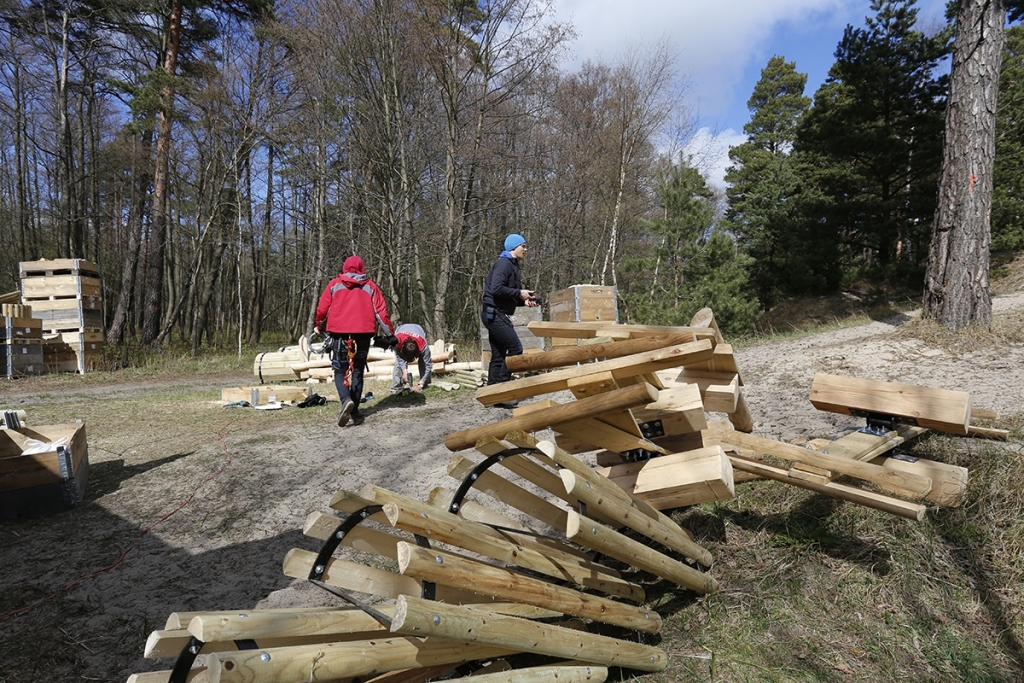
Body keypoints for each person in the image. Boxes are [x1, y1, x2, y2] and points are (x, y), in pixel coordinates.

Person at [314, 255, 395, 427]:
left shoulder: (334, 284)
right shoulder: (370, 286)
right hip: (363, 335)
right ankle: (355, 409)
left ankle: (345, 400)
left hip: (339, 334)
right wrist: (390, 335)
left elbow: (322, 310)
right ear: (362, 268)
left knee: (339, 371)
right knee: (357, 370)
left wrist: (320, 327)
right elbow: (382, 313)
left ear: (344, 268)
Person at [481, 233, 539, 408]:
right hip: (494, 314)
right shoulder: (504, 263)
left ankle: (491, 395)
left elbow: (506, 291)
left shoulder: (512, 265)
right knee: (516, 348)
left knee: (498, 354)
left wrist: (523, 299)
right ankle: (503, 391)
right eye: (524, 246)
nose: (526, 249)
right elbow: (497, 288)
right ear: (514, 247)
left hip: (495, 313)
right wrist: (518, 293)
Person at [390, 323, 433, 395]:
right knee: (398, 363)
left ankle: (424, 383)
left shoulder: (423, 347)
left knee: (424, 362)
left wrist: (421, 384)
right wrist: (404, 371)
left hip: (418, 329)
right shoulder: (396, 342)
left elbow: (428, 365)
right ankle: (396, 389)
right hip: (401, 329)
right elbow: (399, 357)